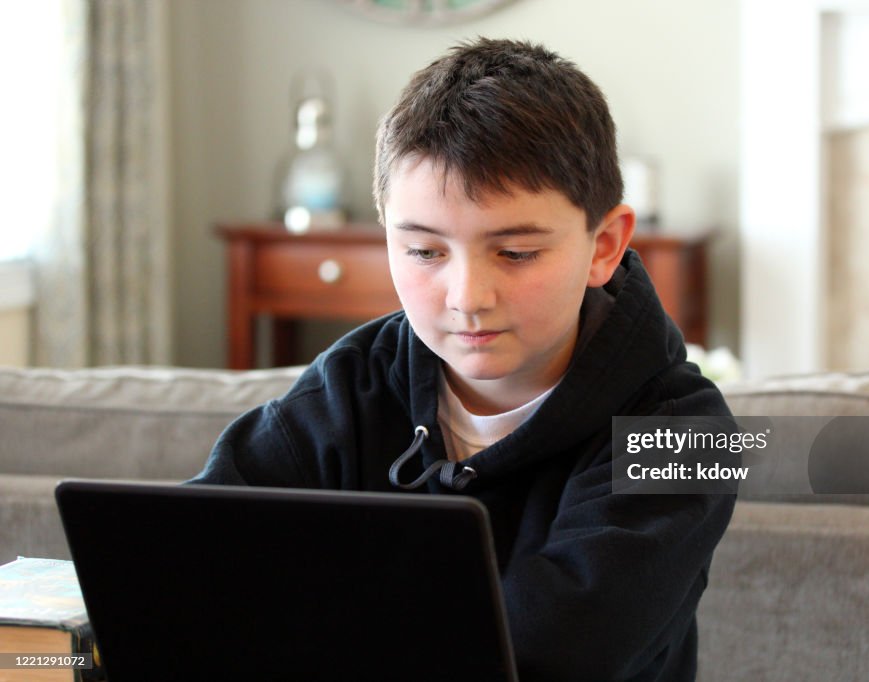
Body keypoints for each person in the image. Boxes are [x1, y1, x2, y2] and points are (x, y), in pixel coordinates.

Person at [189, 37, 736, 681]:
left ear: (604, 245)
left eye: (517, 252)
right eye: (424, 252)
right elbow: (189, 565)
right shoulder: (347, 387)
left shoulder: (690, 433)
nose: (467, 299)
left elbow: (547, 656)